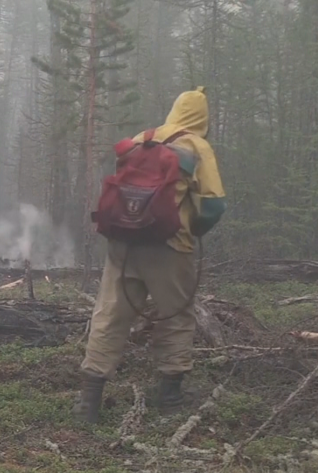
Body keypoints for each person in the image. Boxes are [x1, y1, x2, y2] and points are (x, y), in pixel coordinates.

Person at [74, 87, 226, 423]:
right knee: (176, 316)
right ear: (203, 119)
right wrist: (193, 228)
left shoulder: (142, 138)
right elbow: (214, 206)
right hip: (169, 247)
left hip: (123, 244)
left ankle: (89, 401)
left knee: (110, 314)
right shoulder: (197, 146)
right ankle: (170, 398)